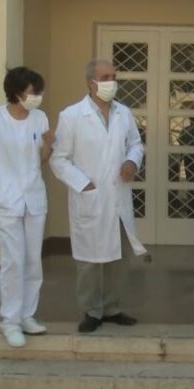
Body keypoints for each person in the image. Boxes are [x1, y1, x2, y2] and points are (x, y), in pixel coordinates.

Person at [50, 60, 146, 333]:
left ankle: (112, 307)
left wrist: (132, 161)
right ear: (90, 82)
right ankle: (92, 310)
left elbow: (136, 144)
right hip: (91, 196)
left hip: (118, 197)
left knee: (118, 257)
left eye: (114, 76)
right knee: (90, 261)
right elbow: (59, 159)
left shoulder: (123, 113)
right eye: (105, 77)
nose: (111, 82)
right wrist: (83, 184)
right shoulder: (72, 116)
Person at [0, 67, 52, 348]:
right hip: (5, 199)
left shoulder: (40, 118)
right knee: (13, 260)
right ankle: (10, 321)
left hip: (33, 198)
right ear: (17, 92)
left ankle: (27, 315)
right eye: (33, 92)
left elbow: (41, 159)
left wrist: (48, 145)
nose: (37, 97)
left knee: (32, 259)